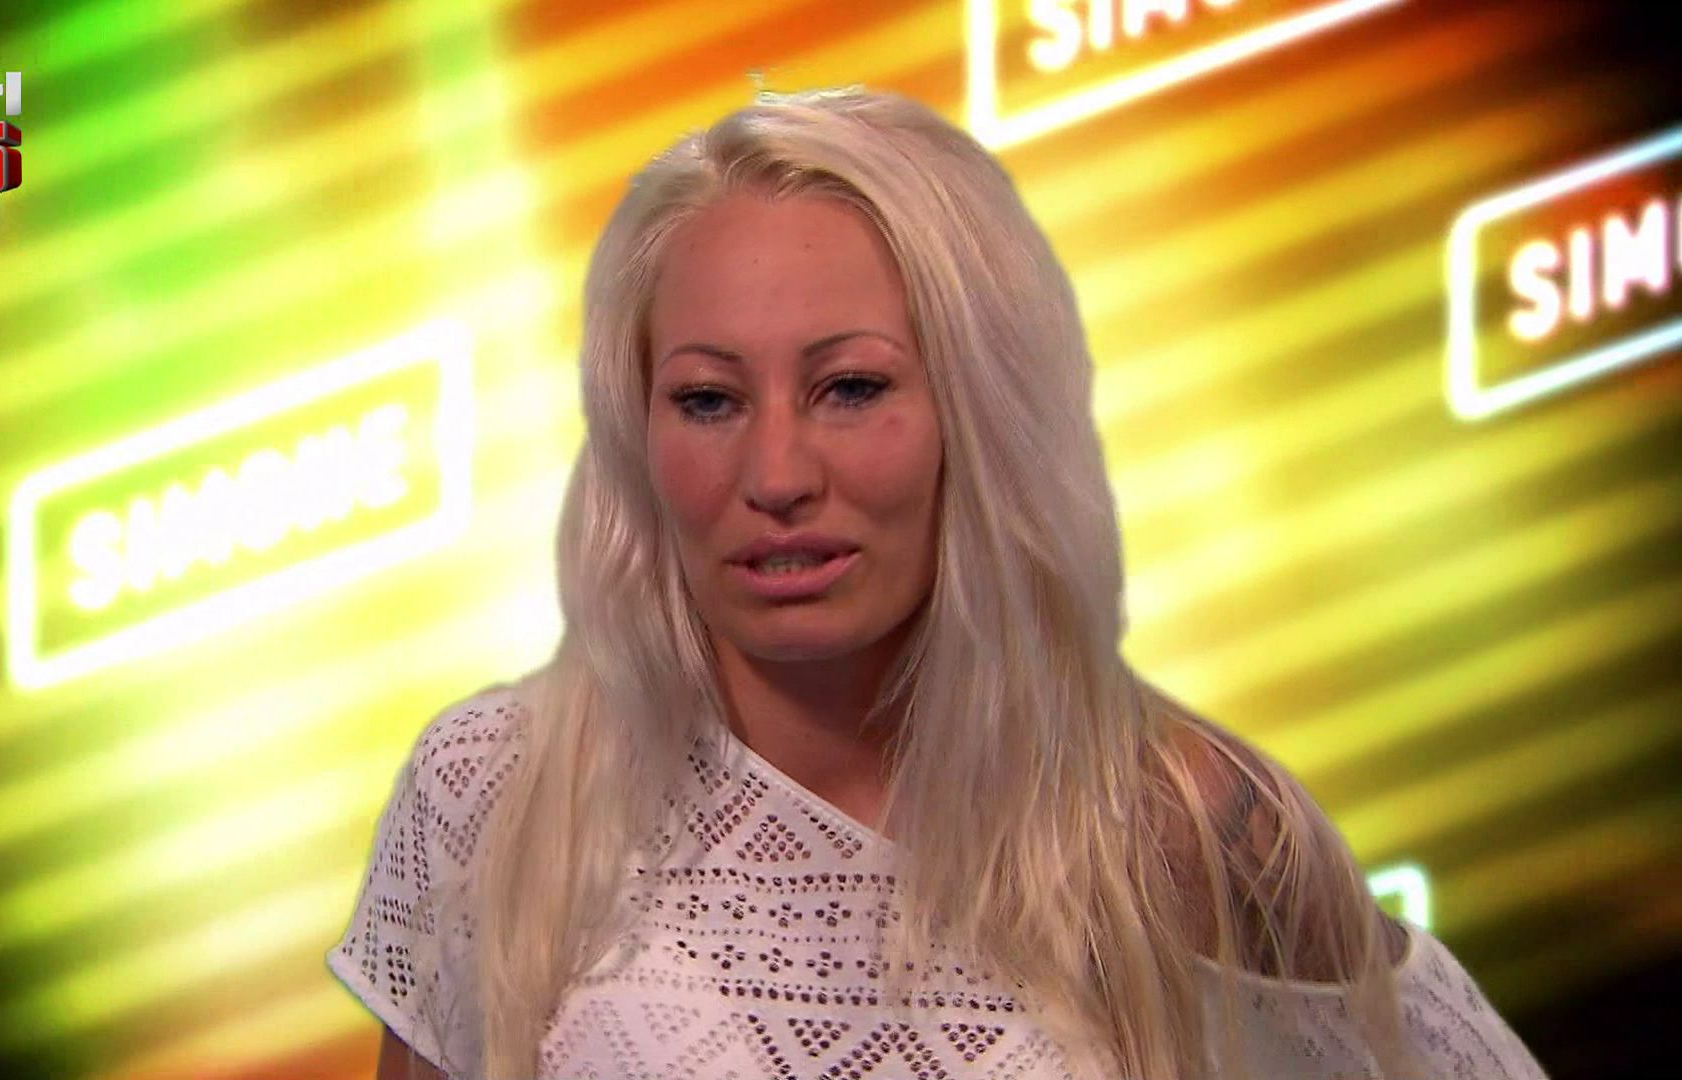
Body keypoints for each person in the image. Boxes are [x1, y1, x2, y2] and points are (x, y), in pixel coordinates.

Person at [328, 86, 1550, 1080]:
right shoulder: (501, 794)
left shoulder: (1176, 823)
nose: (776, 474)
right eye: (706, 399)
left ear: (982, 410)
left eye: (851, 388)